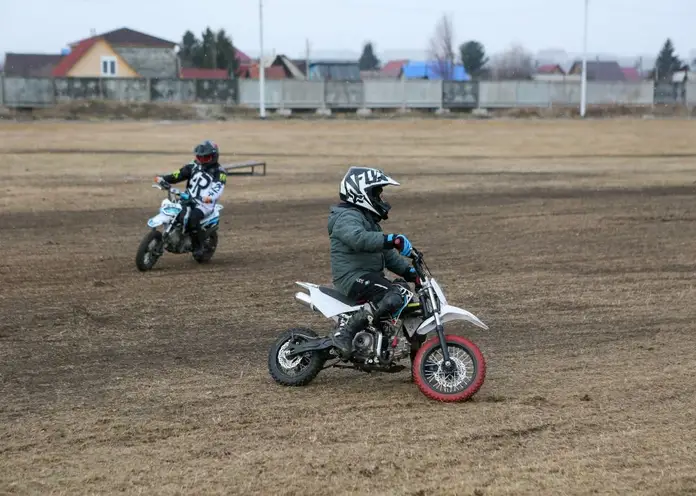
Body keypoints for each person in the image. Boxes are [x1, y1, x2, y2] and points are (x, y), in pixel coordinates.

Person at [327, 166, 420, 358]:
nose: (381, 199)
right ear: (361, 193)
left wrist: (411, 273)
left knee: (405, 295)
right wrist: (391, 239)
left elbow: (388, 256)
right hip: (352, 277)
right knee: (392, 296)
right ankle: (345, 333)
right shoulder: (346, 217)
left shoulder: (370, 221)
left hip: (369, 277)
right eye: (377, 194)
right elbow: (358, 239)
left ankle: (414, 361)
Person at [155, 140, 227, 258]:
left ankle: (198, 246)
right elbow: (178, 174)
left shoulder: (219, 172)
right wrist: (164, 179)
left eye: (205, 158)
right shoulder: (193, 166)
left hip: (204, 204)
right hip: (187, 199)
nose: (202, 160)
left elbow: (218, 188)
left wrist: (209, 197)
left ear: (214, 156)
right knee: (174, 212)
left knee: (193, 219)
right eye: (199, 157)